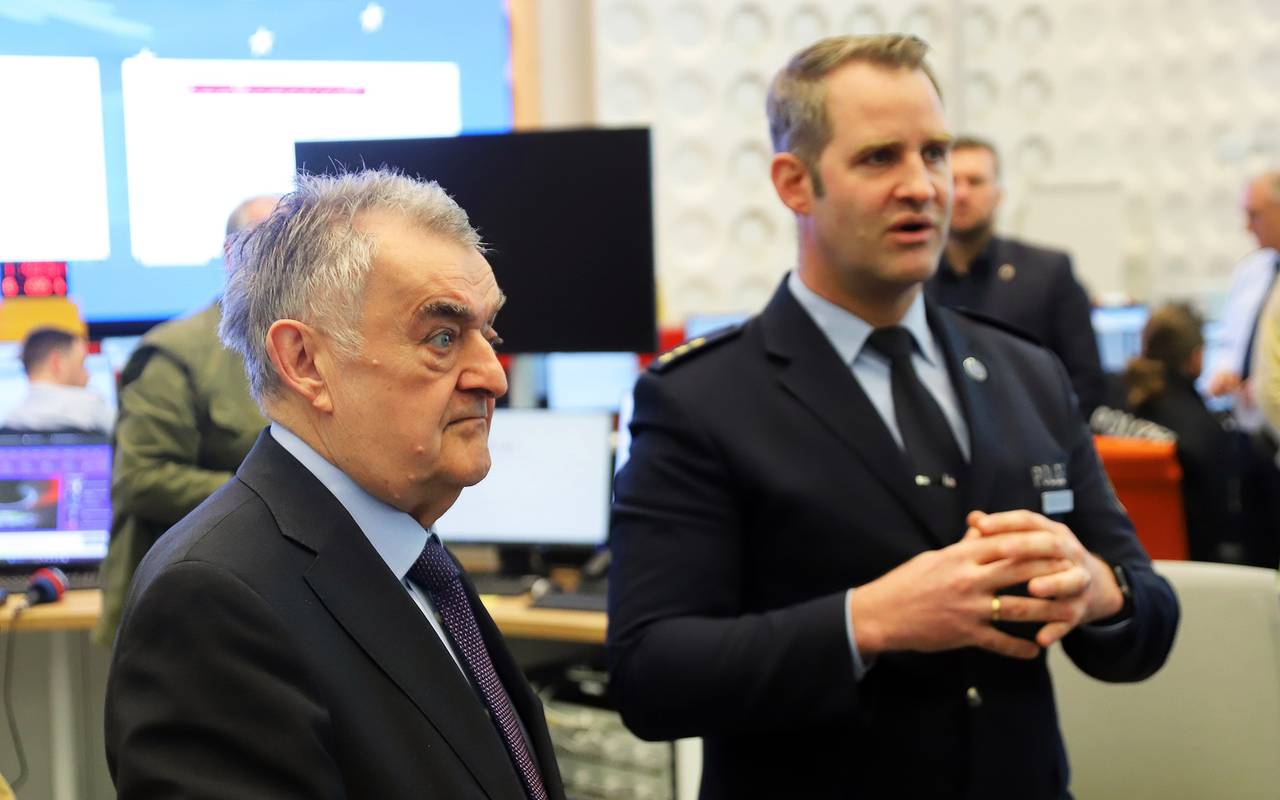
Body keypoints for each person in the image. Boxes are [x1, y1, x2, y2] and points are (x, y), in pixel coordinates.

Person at [607, 34, 1178, 799]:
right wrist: (867, 620)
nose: (923, 186)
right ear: (795, 182)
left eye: (934, 153)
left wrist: (1098, 591)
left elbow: (1147, 620)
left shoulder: (1025, 372)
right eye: (880, 158)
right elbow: (652, 674)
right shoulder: (701, 397)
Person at [105, 170, 565, 799]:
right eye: (441, 337)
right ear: (304, 362)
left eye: (489, 333)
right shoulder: (213, 602)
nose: (492, 375)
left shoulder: (404, 548)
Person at [92, 195, 276, 646]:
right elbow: (140, 479)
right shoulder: (178, 353)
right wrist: (275, 498)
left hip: (270, 592)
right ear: (233, 255)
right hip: (182, 607)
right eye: (273, 243)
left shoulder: (315, 346)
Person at [925, 136, 1107, 419]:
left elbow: (1086, 382)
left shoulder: (1048, 274)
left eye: (975, 182)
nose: (961, 194)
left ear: (998, 194)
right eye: (952, 181)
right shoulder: (913, 281)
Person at [1125, 304, 1237, 562]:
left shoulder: (1103, 397)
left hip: (1113, 559)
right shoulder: (1204, 430)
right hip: (1185, 568)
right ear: (1196, 356)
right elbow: (1220, 521)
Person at [1207, 171, 1280, 568]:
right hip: (1249, 432)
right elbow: (1229, 342)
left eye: (1254, 214)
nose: (1246, 225)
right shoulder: (1251, 272)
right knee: (1256, 549)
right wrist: (1224, 373)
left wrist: (1267, 384)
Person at [2, 327, 113, 432]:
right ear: (56, 362)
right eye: (82, 364)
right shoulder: (91, 408)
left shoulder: (9, 422)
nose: (88, 375)